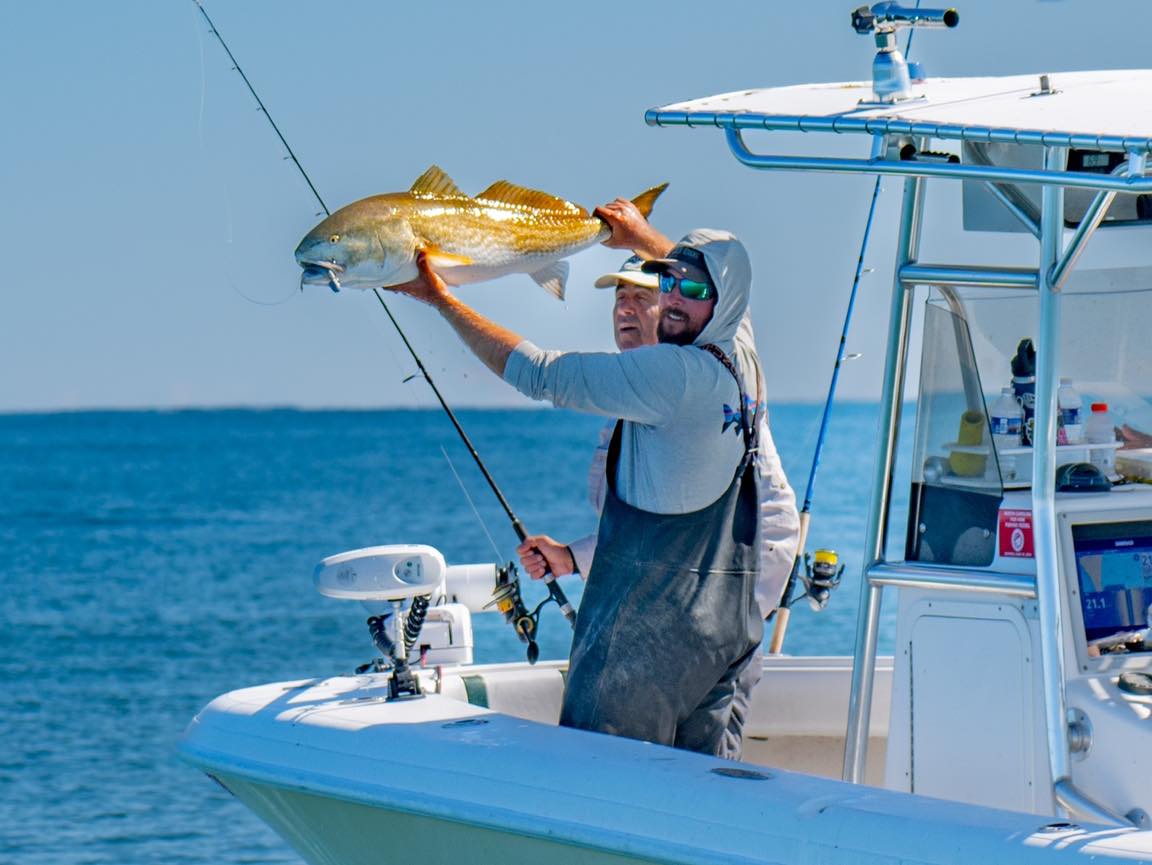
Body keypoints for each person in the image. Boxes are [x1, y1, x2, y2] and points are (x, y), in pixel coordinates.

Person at [385, 210, 769, 759]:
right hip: (722, 638)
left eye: (692, 288)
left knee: (604, 793)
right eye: (669, 282)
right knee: (696, 803)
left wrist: (438, 299)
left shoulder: (675, 376)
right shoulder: (742, 356)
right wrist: (642, 237)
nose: (675, 299)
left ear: (722, 296)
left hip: (644, 647)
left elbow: (542, 373)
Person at [521, 246, 799, 622]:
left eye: (641, 297)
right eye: (620, 298)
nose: (625, 309)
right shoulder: (638, 399)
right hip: (680, 613)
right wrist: (571, 558)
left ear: (672, 308)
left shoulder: (693, 387)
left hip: (720, 611)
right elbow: (644, 531)